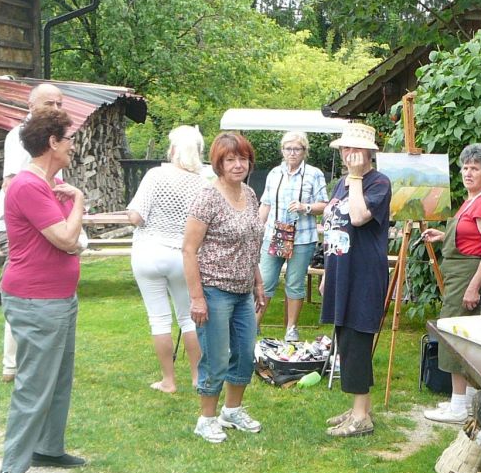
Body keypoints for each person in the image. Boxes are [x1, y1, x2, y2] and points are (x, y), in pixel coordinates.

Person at [0, 107, 89, 473]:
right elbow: (67, 239)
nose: (73, 147)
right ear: (52, 142)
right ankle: (11, 467)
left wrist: (72, 218)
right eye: (69, 140)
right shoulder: (28, 186)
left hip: (59, 298)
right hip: (36, 301)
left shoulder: (52, 185)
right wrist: (80, 200)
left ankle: (48, 448)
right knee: (34, 385)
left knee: (59, 379)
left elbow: (72, 238)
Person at [183, 132, 267, 443]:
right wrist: (197, 298)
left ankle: (232, 411)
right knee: (216, 358)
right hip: (214, 290)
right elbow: (188, 249)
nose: (237, 165)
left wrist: (258, 282)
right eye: (230, 159)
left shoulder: (250, 194)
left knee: (244, 354)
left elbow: (250, 243)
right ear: (218, 163)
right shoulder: (208, 197)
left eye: (242, 158)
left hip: (244, 292)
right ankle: (206, 419)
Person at [420, 142, 481, 424]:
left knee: (455, 337)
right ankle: (464, 401)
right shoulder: (472, 199)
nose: (468, 173)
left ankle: (458, 408)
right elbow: (471, 238)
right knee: (459, 335)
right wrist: (443, 236)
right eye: (465, 168)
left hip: (468, 277)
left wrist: (472, 287)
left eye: (475, 168)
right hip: (460, 274)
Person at [320, 122, 391, 437]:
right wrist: (327, 272)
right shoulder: (342, 183)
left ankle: (361, 417)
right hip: (341, 270)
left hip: (363, 274)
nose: (348, 154)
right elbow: (334, 227)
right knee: (345, 338)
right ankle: (358, 407)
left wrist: (357, 178)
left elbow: (359, 217)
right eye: (345, 148)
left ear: (368, 153)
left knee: (358, 339)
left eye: (354, 149)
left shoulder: (378, 182)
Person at [126, 125, 206, 393]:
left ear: (173, 149)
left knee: (158, 319)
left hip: (149, 252)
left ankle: (168, 380)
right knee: (188, 318)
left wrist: (130, 214)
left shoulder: (156, 175)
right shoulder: (203, 183)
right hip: (183, 255)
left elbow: (137, 216)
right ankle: (197, 377)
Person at [0, 82, 65, 383]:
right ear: (31, 106)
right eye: (50, 103)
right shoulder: (20, 135)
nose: (56, 109)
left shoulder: (55, 138)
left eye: (60, 104)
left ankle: (36, 361)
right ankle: (12, 365)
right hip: (24, 227)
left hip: (47, 222)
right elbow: (11, 182)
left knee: (45, 293)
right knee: (25, 294)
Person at [256, 130, 329, 342]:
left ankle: (291, 329)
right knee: (265, 281)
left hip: (302, 238)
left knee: (295, 284)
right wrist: (256, 229)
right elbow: (266, 204)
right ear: (282, 150)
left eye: (297, 149)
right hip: (274, 234)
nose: (292, 153)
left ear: (305, 151)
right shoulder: (274, 173)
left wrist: (305, 207)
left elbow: (324, 205)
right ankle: (253, 324)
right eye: (288, 148)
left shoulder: (314, 174)